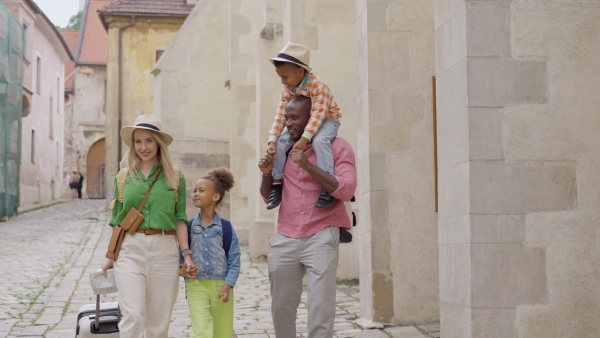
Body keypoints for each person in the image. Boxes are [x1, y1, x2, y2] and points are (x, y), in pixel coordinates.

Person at [258, 96, 357, 337]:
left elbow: (346, 189)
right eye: (286, 117)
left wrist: (308, 165)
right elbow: (268, 197)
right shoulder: (282, 148)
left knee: (320, 308)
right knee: (280, 305)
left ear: (312, 120)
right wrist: (267, 174)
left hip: (322, 233)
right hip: (285, 235)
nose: (288, 123)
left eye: (294, 118)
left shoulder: (337, 147)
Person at [101, 114, 194, 337]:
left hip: (164, 250)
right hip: (130, 251)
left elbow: (180, 218)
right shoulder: (123, 178)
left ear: (158, 143)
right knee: (132, 315)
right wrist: (110, 257)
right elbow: (117, 221)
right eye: (138, 141)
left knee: (158, 323)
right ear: (133, 145)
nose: (144, 147)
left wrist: (187, 255)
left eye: (149, 140)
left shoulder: (175, 177)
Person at [265, 42, 342, 210]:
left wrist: (305, 138)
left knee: (319, 141)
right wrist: (272, 139)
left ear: (301, 71)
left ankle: (327, 184)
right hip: (304, 122)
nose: (283, 82)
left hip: (327, 120)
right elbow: (280, 115)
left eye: (285, 77)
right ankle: (277, 183)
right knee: (280, 143)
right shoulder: (287, 88)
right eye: (280, 78)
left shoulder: (318, 86)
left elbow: (318, 115)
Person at [180, 168, 241, 338]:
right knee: (202, 332)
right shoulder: (188, 228)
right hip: (196, 286)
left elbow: (235, 260)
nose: (195, 194)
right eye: (194, 191)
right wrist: (183, 271)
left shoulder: (226, 228)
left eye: (201, 190)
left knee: (223, 333)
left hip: (221, 286)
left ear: (215, 197)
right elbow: (179, 261)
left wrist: (228, 285)